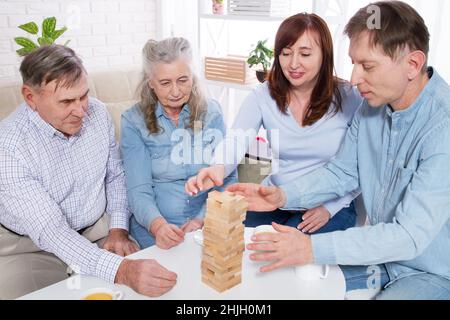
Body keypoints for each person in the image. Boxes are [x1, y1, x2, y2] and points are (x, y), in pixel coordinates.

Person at [227, 1, 450, 300]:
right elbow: (342, 171)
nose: (355, 78)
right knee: (280, 282)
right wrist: (282, 196)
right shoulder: (371, 108)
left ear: (412, 64)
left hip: (431, 270)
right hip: (379, 255)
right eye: (354, 63)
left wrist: (311, 248)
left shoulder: (442, 128)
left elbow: (409, 235)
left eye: (367, 66)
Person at [0, 45, 177, 299]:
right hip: (31, 249)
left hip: (99, 232)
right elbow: (51, 230)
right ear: (30, 97)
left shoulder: (97, 112)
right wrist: (122, 270)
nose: (82, 110)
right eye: (67, 101)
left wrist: (118, 230)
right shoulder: (8, 147)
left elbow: (115, 175)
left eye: (83, 95)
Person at [186, 13, 362, 234]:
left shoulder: (351, 97)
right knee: (232, 238)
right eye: (285, 53)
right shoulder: (264, 95)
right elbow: (237, 139)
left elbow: (361, 166)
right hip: (275, 198)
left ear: (324, 55)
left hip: (328, 204)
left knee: (283, 251)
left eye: (305, 54)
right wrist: (218, 167)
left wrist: (330, 207)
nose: (293, 63)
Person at [121, 37, 237, 250]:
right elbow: (138, 189)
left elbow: (228, 177)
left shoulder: (212, 112)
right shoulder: (133, 121)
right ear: (151, 83)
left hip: (208, 223)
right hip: (154, 230)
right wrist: (159, 226)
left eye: (183, 80)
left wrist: (202, 219)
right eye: (165, 83)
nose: (175, 91)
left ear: (193, 78)